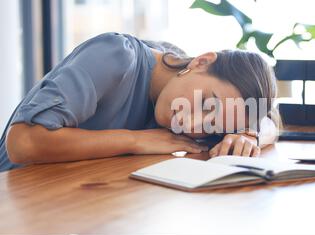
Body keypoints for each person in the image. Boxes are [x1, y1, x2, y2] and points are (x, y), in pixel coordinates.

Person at [0, 32, 279, 172]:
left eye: (213, 125)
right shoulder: (117, 55)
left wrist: (247, 134)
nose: (190, 124)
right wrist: (136, 140)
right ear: (202, 61)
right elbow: (23, 143)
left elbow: (273, 121)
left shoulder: (186, 100)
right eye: (206, 103)